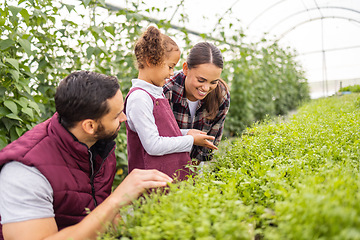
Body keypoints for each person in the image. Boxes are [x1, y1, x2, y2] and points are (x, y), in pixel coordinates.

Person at [0, 71, 173, 240]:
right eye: (116, 115)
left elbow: (96, 215)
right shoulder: (26, 172)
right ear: (89, 126)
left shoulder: (97, 144)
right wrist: (116, 200)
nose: (124, 118)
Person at [125, 26, 217, 181]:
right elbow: (153, 145)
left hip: (166, 178)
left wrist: (186, 133)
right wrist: (191, 140)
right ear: (150, 61)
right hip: (151, 184)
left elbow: (162, 133)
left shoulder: (156, 93)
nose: (172, 73)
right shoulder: (139, 98)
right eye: (170, 66)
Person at [163, 42, 230, 163]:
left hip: (195, 164)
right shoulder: (167, 90)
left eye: (213, 82)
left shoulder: (221, 96)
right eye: (201, 80)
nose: (205, 88)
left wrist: (193, 168)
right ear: (186, 69)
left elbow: (211, 141)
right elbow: (160, 136)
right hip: (165, 160)